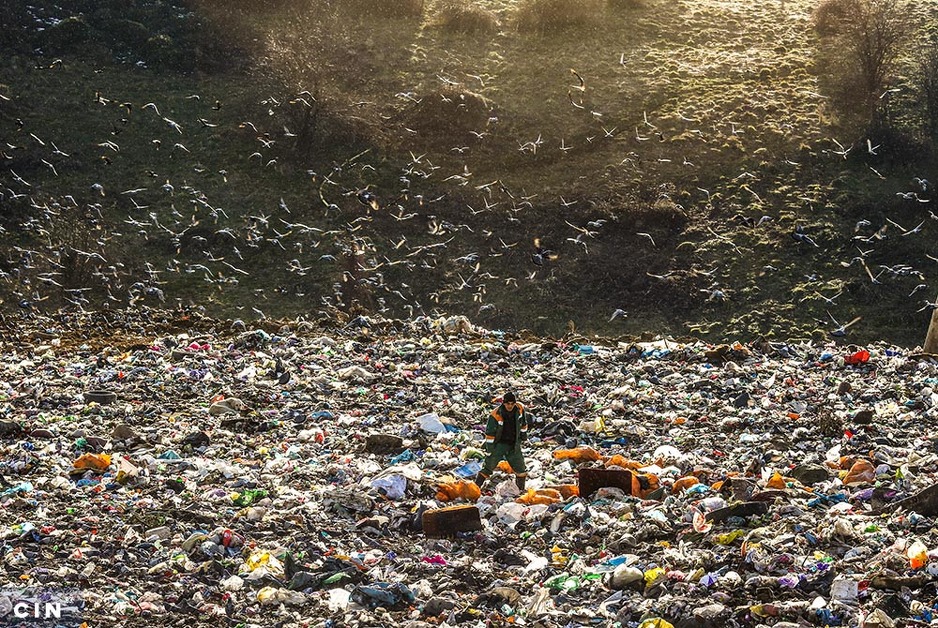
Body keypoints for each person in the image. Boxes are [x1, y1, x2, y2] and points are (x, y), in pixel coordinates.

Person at [476, 391, 528, 491]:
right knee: (488, 466)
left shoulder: (520, 408)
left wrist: (524, 437)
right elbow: (490, 434)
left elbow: (524, 424)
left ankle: (520, 490)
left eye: (512, 404)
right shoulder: (495, 414)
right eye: (508, 404)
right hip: (499, 445)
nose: (510, 406)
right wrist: (490, 450)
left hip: (514, 444)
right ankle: (476, 488)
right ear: (503, 403)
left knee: (520, 468)